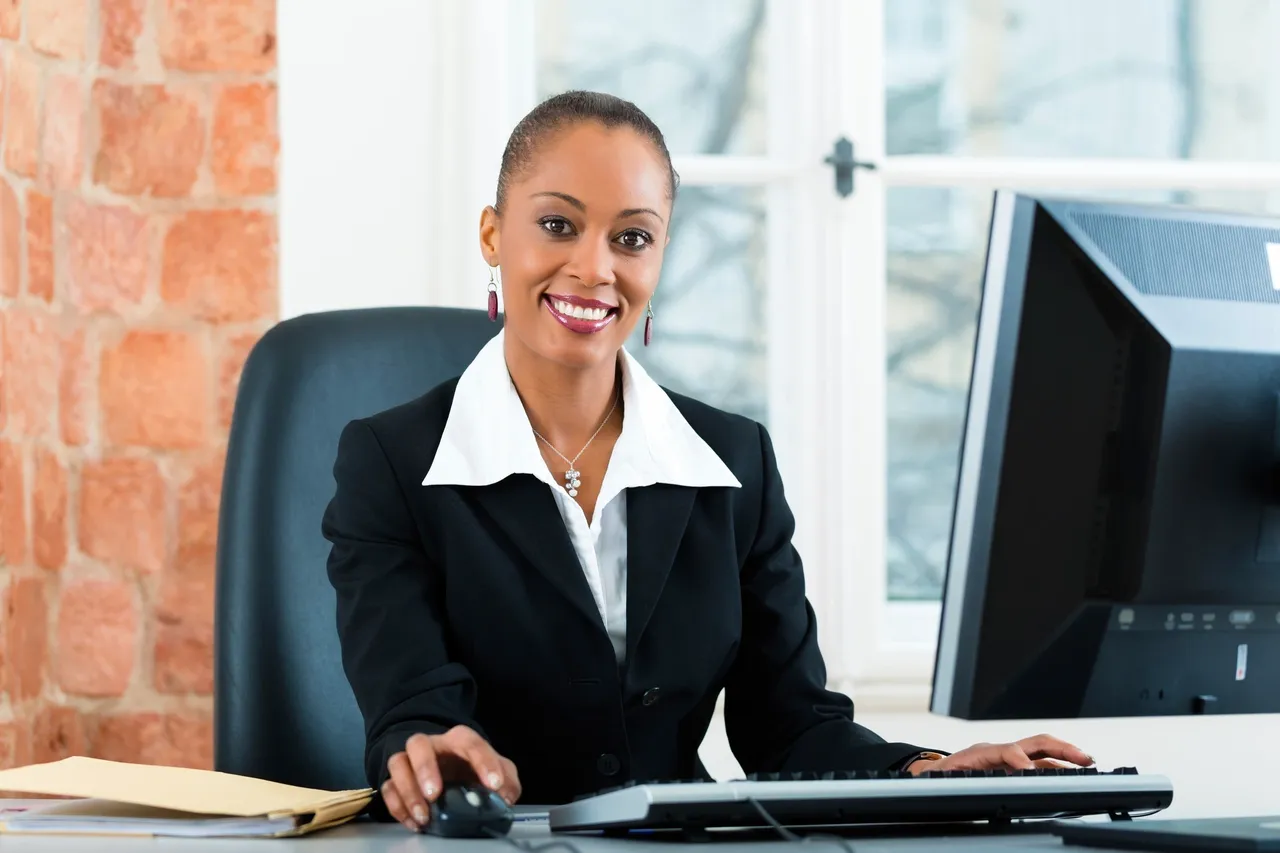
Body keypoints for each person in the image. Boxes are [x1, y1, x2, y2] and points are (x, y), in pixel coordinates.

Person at [322, 91, 1093, 833]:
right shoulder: (393, 462)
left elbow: (791, 731)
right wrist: (437, 757)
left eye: (632, 237)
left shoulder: (731, 464)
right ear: (492, 235)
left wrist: (933, 772)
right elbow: (413, 708)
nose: (595, 268)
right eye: (558, 224)